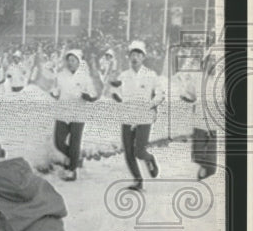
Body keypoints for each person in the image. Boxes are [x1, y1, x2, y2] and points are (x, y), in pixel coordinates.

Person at [109, 41, 165, 191]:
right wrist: (116, 96)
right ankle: (138, 181)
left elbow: (160, 94)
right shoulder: (124, 75)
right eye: (132, 55)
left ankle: (149, 158)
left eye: (138, 55)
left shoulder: (151, 75)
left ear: (143, 57)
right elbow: (114, 91)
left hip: (144, 117)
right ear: (129, 57)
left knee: (139, 151)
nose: (135, 58)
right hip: (127, 116)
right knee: (128, 152)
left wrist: (152, 104)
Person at [50, 50, 98, 181]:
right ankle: (75, 159)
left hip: (78, 114)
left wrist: (88, 96)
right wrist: (54, 94)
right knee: (58, 142)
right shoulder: (60, 76)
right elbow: (55, 90)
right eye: (69, 60)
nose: (70, 63)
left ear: (79, 62)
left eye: (73, 60)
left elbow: (93, 94)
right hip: (62, 113)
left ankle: (72, 170)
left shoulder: (85, 78)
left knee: (74, 143)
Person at [178, 51, 217, 181]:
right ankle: (203, 174)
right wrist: (186, 97)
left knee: (211, 161)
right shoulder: (197, 78)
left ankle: (206, 176)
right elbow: (189, 94)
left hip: (214, 124)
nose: (213, 62)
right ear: (204, 63)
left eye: (215, 60)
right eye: (210, 60)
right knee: (197, 155)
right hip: (199, 121)